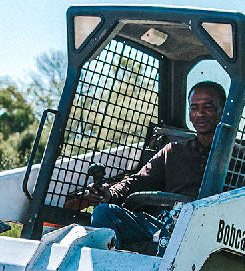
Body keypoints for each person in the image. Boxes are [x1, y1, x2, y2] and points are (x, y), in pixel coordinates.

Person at [85, 81, 225, 249]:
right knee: (104, 212)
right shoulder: (174, 152)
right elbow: (138, 182)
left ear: (223, 110)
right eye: (194, 108)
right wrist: (109, 193)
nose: (200, 114)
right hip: (167, 228)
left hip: (210, 236)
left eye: (207, 107)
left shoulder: (241, 158)